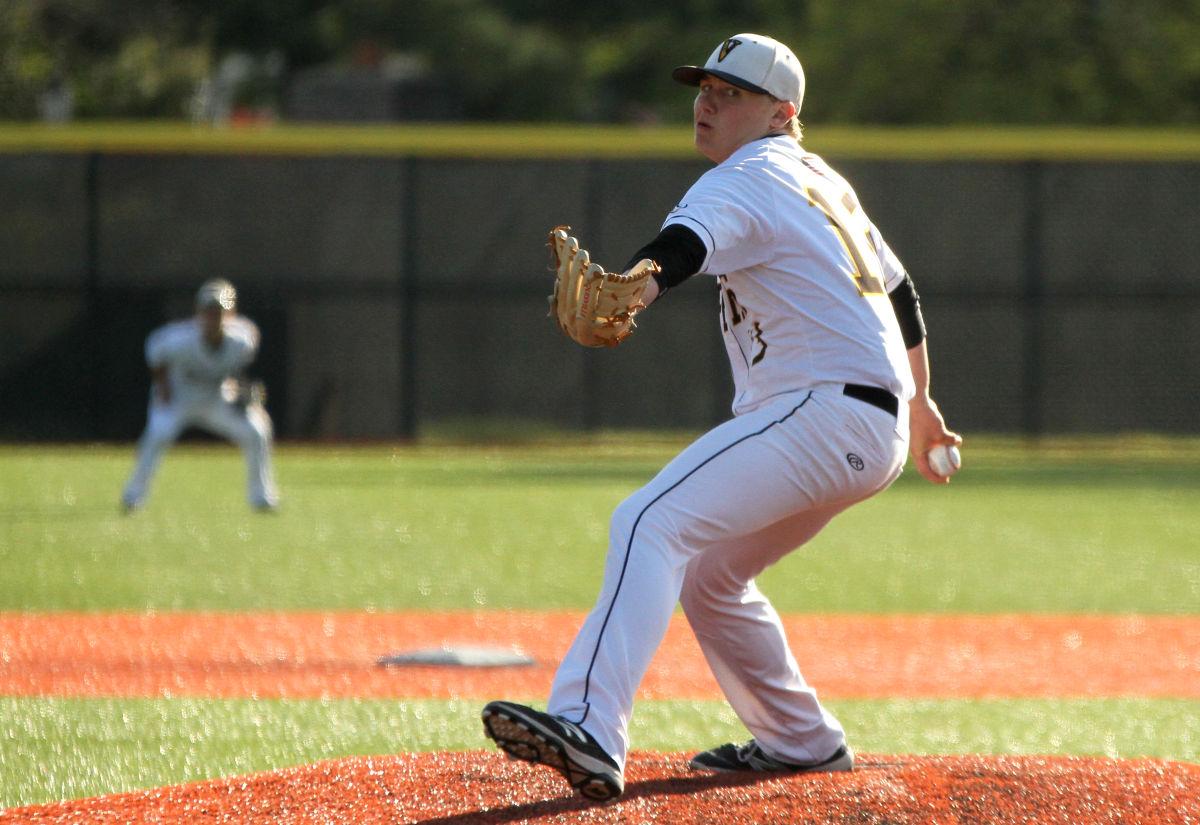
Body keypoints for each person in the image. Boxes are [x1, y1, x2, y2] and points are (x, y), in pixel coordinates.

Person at [481, 33, 962, 802]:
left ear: (782, 113)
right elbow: (899, 293)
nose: (707, 102)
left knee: (647, 522)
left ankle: (589, 728)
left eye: (731, 93)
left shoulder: (751, 173)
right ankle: (803, 740)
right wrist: (924, 403)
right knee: (711, 575)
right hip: (870, 425)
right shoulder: (823, 182)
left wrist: (634, 290)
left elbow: (681, 247)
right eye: (704, 88)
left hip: (824, 410)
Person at [121, 278, 280, 513]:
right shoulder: (178, 339)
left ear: (231, 313)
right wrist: (162, 384)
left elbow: (234, 370)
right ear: (198, 312)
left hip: (216, 397)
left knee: (257, 430)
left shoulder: (244, 339)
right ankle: (134, 495)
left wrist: (240, 389)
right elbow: (153, 350)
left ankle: (261, 496)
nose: (214, 318)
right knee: (159, 434)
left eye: (220, 312)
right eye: (209, 311)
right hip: (177, 398)